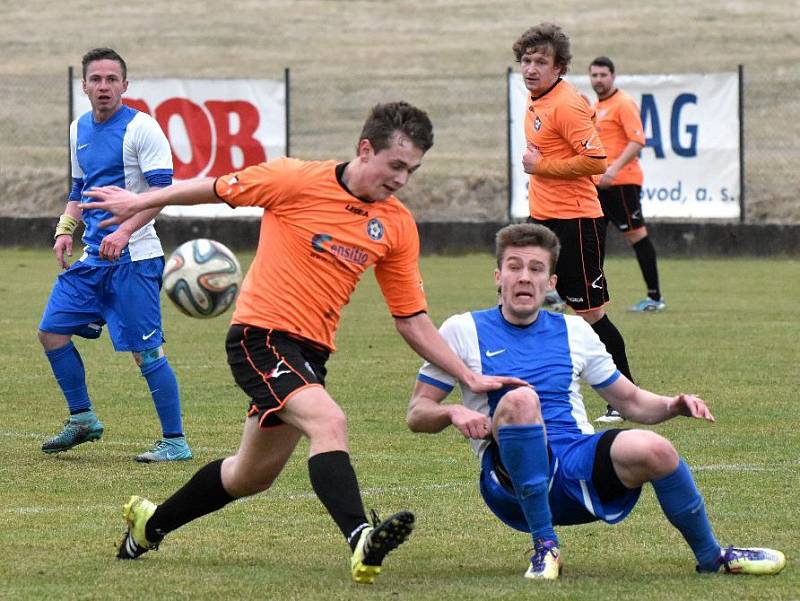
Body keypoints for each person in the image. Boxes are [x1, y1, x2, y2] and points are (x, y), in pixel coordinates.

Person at [82, 101, 527, 583]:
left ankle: (151, 524)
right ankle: (362, 540)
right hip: (261, 337)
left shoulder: (396, 225)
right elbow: (214, 187)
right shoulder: (294, 180)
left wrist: (466, 375)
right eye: (396, 165)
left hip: (310, 354)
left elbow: (412, 319)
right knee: (329, 421)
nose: (402, 178)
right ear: (365, 149)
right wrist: (141, 203)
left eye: (411, 170)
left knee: (249, 475)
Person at [406, 222, 786, 580]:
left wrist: (673, 405)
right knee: (522, 399)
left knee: (656, 449)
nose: (524, 276)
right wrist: (454, 411)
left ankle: (712, 557)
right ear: (498, 276)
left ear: (551, 282)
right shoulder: (461, 329)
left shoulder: (575, 330)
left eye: (536, 269)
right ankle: (545, 546)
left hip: (574, 460)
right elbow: (417, 413)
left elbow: (631, 401)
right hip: (508, 480)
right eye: (514, 267)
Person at [38, 48, 191, 463]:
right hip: (94, 259)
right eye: (96, 79)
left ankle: (175, 441)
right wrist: (65, 230)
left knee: (147, 352)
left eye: (111, 79)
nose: (103, 86)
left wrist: (125, 230)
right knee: (51, 331)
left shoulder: (143, 128)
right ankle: (83, 418)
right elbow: (78, 192)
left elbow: (162, 193)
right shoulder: (78, 129)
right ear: (84, 85)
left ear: (125, 85)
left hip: (136, 259)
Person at [513, 23, 632, 425]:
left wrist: (541, 166)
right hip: (542, 220)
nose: (531, 68)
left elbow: (597, 159)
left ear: (559, 67)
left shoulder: (565, 103)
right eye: (526, 60)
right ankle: (530, 387)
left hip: (577, 221)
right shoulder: (535, 99)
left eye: (540, 61)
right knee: (521, 299)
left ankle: (625, 396)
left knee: (590, 314)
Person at [590, 56, 665, 313]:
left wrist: (613, 169)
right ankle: (590, 294)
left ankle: (655, 297)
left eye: (603, 75)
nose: (598, 80)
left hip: (622, 184)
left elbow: (637, 141)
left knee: (636, 236)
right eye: (594, 75)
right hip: (599, 186)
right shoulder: (596, 107)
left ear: (613, 76)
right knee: (593, 239)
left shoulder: (622, 103)